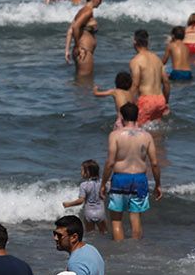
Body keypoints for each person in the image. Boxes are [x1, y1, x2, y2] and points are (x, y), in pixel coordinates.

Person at [100, 102, 162, 240]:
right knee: (136, 218)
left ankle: (120, 252)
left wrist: (103, 183)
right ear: (138, 116)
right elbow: (155, 164)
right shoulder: (147, 136)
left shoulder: (115, 135)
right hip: (139, 179)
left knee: (116, 220)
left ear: (122, 117)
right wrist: (158, 184)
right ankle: (135, 252)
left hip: (120, 178)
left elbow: (110, 163)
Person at [129, 29, 171, 125]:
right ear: (148, 42)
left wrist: (128, 104)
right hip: (160, 99)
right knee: (156, 130)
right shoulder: (157, 59)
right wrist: (166, 102)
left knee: (137, 130)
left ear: (134, 42)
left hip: (146, 100)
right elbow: (166, 82)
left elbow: (135, 85)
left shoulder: (136, 61)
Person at [63, 160, 108, 236]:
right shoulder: (103, 183)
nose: (81, 172)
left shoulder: (84, 185)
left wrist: (69, 204)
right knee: (104, 233)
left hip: (89, 213)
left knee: (90, 234)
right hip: (101, 212)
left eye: (82, 170)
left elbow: (81, 200)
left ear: (87, 172)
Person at [63, 0, 102, 77]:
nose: (100, 3)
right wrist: (77, 46)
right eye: (100, 0)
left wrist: (67, 50)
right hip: (84, 51)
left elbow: (70, 31)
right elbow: (75, 27)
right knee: (86, 81)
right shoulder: (88, 11)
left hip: (81, 51)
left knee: (81, 83)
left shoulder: (82, 11)